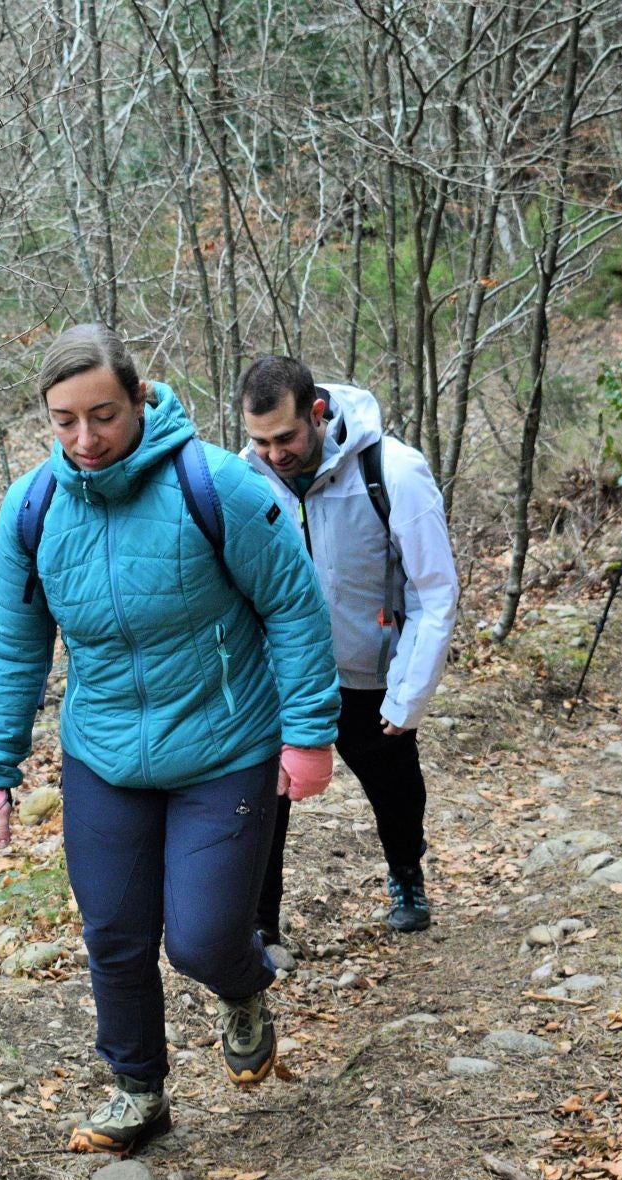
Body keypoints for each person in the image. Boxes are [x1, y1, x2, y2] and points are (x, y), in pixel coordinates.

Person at [0, 324, 340, 1156]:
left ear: (140, 396)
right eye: (64, 421)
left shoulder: (215, 486)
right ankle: (138, 1092)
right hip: (103, 754)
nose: (85, 439)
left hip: (224, 745)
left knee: (203, 939)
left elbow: (293, 604)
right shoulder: (33, 509)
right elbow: (15, 644)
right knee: (115, 935)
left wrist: (310, 734)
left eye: (102, 414)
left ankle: (243, 989)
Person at [237, 356, 458, 943]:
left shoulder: (394, 471)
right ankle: (260, 923)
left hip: (370, 670)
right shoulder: (245, 480)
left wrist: (409, 693)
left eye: (285, 437)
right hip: (282, 676)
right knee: (265, 796)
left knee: (394, 788)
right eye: (260, 441)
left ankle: (406, 872)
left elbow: (434, 590)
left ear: (317, 412)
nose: (274, 454)